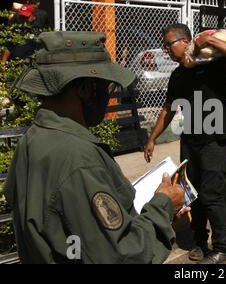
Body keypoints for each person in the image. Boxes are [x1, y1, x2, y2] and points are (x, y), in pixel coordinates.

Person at [4, 31, 187, 264]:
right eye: (106, 86)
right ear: (87, 89)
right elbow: (122, 255)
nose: (107, 95)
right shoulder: (79, 159)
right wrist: (163, 205)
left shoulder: (32, 139)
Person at [143, 24, 226, 264]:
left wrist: (207, 41)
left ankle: (222, 248)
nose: (166, 49)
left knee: (212, 196)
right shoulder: (178, 74)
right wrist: (151, 138)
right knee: (193, 195)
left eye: (170, 43)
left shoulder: (211, 66)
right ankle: (200, 242)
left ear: (185, 41)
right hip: (189, 141)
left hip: (213, 141)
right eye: (165, 44)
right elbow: (168, 109)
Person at [1, 4, 37, 73]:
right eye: (22, 16)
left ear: (33, 17)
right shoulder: (14, 30)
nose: (23, 19)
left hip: (31, 69)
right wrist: (3, 64)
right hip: (15, 67)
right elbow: (8, 48)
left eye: (26, 17)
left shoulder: (38, 30)